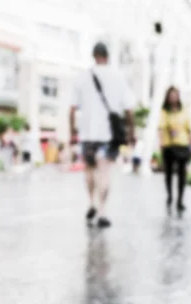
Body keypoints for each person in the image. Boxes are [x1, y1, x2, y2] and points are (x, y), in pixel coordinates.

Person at [69, 42, 135, 228]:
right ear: (107, 56)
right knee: (104, 172)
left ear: (94, 55)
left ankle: (91, 202)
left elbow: (72, 109)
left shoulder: (81, 78)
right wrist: (131, 133)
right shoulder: (118, 77)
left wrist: (72, 132)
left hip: (87, 134)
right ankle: (102, 211)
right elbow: (129, 109)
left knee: (89, 171)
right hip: (108, 135)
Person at [159, 86, 191, 212]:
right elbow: (161, 128)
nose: (173, 97)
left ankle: (180, 200)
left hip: (182, 145)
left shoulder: (184, 111)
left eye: (175, 95)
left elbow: (189, 129)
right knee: (168, 174)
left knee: (182, 174)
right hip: (169, 145)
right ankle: (169, 196)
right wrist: (161, 143)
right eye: (171, 95)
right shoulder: (164, 112)